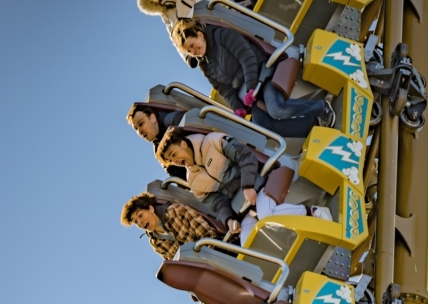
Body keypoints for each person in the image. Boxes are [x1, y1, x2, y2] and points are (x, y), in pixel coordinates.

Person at [156, 127, 332, 243]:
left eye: (174, 154)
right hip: (243, 207)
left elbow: (245, 157)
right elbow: (216, 203)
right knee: (247, 242)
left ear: (183, 143)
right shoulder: (193, 182)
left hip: (259, 181)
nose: (176, 161)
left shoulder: (213, 141)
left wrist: (247, 186)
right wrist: (229, 219)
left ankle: (315, 212)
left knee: (266, 214)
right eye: (172, 161)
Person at [171, 19, 332, 138]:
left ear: (199, 34)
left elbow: (247, 57)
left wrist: (251, 87)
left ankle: (321, 108)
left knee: (276, 109)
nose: (193, 51)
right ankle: (313, 125)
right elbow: (224, 90)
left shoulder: (221, 36)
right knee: (262, 126)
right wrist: (237, 108)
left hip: (262, 72)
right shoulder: (204, 66)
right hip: (249, 94)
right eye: (189, 51)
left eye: (192, 45)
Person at [120, 193, 221, 260]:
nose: (140, 222)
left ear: (150, 208)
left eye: (140, 215)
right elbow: (176, 264)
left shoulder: (176, 212)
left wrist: (208, 261)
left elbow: (207, 235)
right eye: (136, 222)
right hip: (199, 272)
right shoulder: (155, 243)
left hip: (216, 253)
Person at [126, 101, 186, 177]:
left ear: (152, 118)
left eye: (141, 124)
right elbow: (175, 173)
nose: (139, 131)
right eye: (136, 129)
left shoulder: (173, 121)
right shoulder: (158, 149)